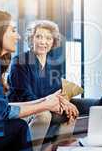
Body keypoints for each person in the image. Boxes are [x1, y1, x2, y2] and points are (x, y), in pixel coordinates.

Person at [0, 10, 62, 151]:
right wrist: (45, 105)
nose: (18, 37)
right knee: (19, 126)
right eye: (13, 31)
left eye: (48, 38)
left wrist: (46, 101)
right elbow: (0, 113)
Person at [8, 20, 79, 150]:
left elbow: (57, 92)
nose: (43, 42)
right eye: (38, 37)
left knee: (71, 112)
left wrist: (66, 103)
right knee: (44, 115)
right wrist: (49, 105)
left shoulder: (53, 65)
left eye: (48, 38)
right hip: (23, 109)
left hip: (44, 105)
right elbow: (24, 95)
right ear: (31, 39)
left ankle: (56, 148)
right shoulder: (19, 62)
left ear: (53, 42)